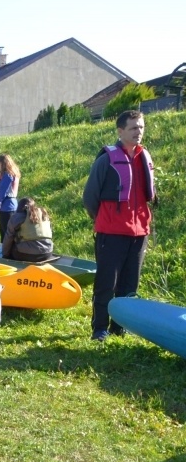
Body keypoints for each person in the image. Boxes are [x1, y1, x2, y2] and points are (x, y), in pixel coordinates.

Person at [82, 110, 156, 342]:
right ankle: (100, 329)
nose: (139, 132)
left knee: (129, 284)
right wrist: (105, 220)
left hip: (138, 233)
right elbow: (89, 198)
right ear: (120, 131)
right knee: (106, 284)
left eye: (141, 127)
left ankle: (120, 327)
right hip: (111, 233)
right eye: (134, 128)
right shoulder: (106, 160)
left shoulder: (145, 157)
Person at [1, 197, 54, 262]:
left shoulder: (17, 217)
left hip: (27, 255)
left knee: (12, 244)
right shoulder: (43, 215)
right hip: (47, 253)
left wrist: (5, 255)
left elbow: (8, 238)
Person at [0, 153, 21, 241]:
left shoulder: (7, 175)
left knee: (5, 233)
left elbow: (2, 191)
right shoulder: (13, 174)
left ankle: (5, 253)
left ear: (3, 164)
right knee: (11, 232)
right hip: (11, 205)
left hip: (6, 207)